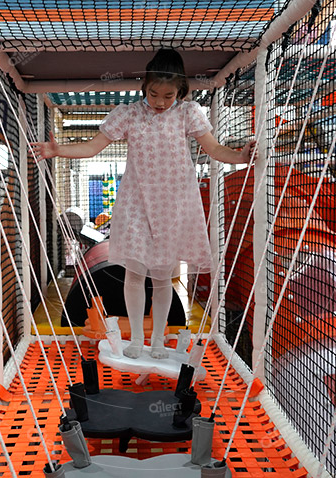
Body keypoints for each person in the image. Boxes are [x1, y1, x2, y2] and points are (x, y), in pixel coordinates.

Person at [31, 49, 255, 359]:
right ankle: (136, 338)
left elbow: (215, 149)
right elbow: (94, 147)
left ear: (180, 91)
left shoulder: (187, 113)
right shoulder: (129, 114)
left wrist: (241, 156)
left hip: (173, 205)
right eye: (153, 93)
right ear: (144, 87)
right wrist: (59, 150)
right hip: (136, 203)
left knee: (162, 278)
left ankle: (158, 340)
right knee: (134, 274)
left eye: (168, 95)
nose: (160, 102)